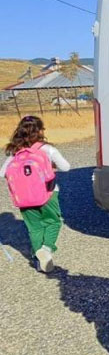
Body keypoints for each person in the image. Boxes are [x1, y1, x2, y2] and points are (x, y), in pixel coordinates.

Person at [0, 115, 70, 273]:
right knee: (53, 222)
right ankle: (46, 249)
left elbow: (2, 172)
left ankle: (39, 261)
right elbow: (66, 167)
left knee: (35, 228)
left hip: (24, 197)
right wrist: (50, 166)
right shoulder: (47, 149)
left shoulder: (15, 151)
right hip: (48, 193)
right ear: (40, 131)